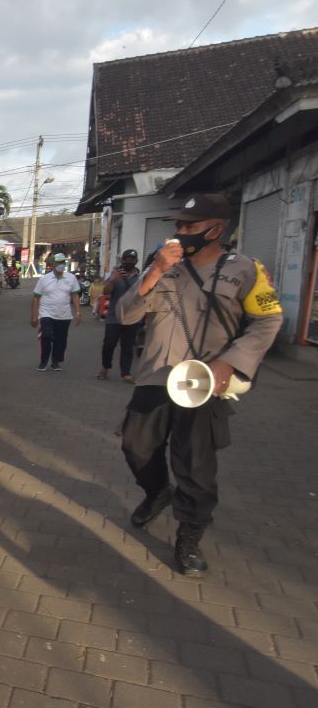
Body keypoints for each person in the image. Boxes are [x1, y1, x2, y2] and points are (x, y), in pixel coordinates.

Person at [116, 194, 282, 577]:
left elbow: (269, 321)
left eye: (190, 226)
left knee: (194, 464)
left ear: (216, 230)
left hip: (203, 381)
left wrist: (232, 362)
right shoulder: (161, 266)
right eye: (179, 226)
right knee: (135, 447)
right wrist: (155, 271)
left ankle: (189, 535)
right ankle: (157, 492)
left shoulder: (247, 270)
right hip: (156, 376)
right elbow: (126, 316)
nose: (180, 233)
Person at [30, 253, 81, 371]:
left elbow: (75, 295)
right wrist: (34, 316)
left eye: (63, 262)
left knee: (61, 340)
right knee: (46, 336)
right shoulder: (44, 279)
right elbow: (36, 297)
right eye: (58, 263)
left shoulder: (71, 278)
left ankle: (55, 361)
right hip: (46, 313)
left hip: (64, 315)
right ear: (52, 264)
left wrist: (78, 313)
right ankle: (43, 361)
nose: (61, 265)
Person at [97, 249, 141, 381]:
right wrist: (113, 280)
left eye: (132, 260)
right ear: (122, 260)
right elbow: (105, 291)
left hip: (132, 317)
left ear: (136, 261)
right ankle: (105, 367)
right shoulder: (114, 274)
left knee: (127, 346)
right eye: (126, 259)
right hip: (113, 316)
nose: (129, 262)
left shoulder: (140, 277)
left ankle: (125, 373)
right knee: (109, 344)